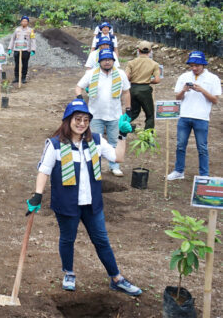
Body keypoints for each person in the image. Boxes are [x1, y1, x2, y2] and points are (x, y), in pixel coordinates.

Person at [26, 99, 141, 296]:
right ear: (68, 119)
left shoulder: (96, 141)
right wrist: (38, 195)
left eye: (86, 120)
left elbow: (118, 158)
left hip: (92, 204)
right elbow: (44, 171)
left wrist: (122, 135)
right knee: (67, 239)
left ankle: (116, 278)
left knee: (102, 240)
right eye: (77, 119)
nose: (81, 123)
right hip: (67, 203)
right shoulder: (54, 145)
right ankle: (69, 273)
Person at [75, 49, 131, 177]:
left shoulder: (121, 74)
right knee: (94, 142)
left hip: (115, 115)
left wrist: (128, 109)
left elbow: (127, 91)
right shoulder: (91, 74)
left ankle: (114, 166)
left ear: (113, 61)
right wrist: (80, 100)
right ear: (99, 61)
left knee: (114, 141)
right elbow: (78, 87)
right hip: (95, 115)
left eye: (109, 59)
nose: (107, 62)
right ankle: (95, 167)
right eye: (104, 60)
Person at [167, 51, 221, 180]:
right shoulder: (184, 76)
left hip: (202, 117)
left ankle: (204, 174)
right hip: (184, 115)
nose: (194, 68)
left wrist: (202, 90)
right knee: (180, 145)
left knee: (202, 147)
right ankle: (178, 171)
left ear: (203, 65)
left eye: (197, 65)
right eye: (192, 65)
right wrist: (183, 90)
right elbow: (178, 98)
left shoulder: (213, 78)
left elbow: (215, 100)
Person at [125, 41, 161, 130]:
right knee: (149, 115)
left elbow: (126, 77)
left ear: (138, 50)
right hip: (145, 90)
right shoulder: (154, 64)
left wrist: (134, 79)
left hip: (132, 89)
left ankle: (120, 126)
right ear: (150, 51)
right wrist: (148, 80)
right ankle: (147, 138)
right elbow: (157, 80)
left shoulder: (131, 63)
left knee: (133, 112)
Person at [7, 16, 36, 84]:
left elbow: (33, 40)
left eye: (26, 21)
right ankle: (16, 77)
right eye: (23, 21)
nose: (24, 22)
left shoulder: (30, 30)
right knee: (17, 64)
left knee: (25, 64)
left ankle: (23, 78)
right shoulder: (17, 30)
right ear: (21, 22)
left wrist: (33, 50)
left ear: (28, 22)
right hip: (17, 49)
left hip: (26, 50)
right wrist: (10, 48)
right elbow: (12, 39)